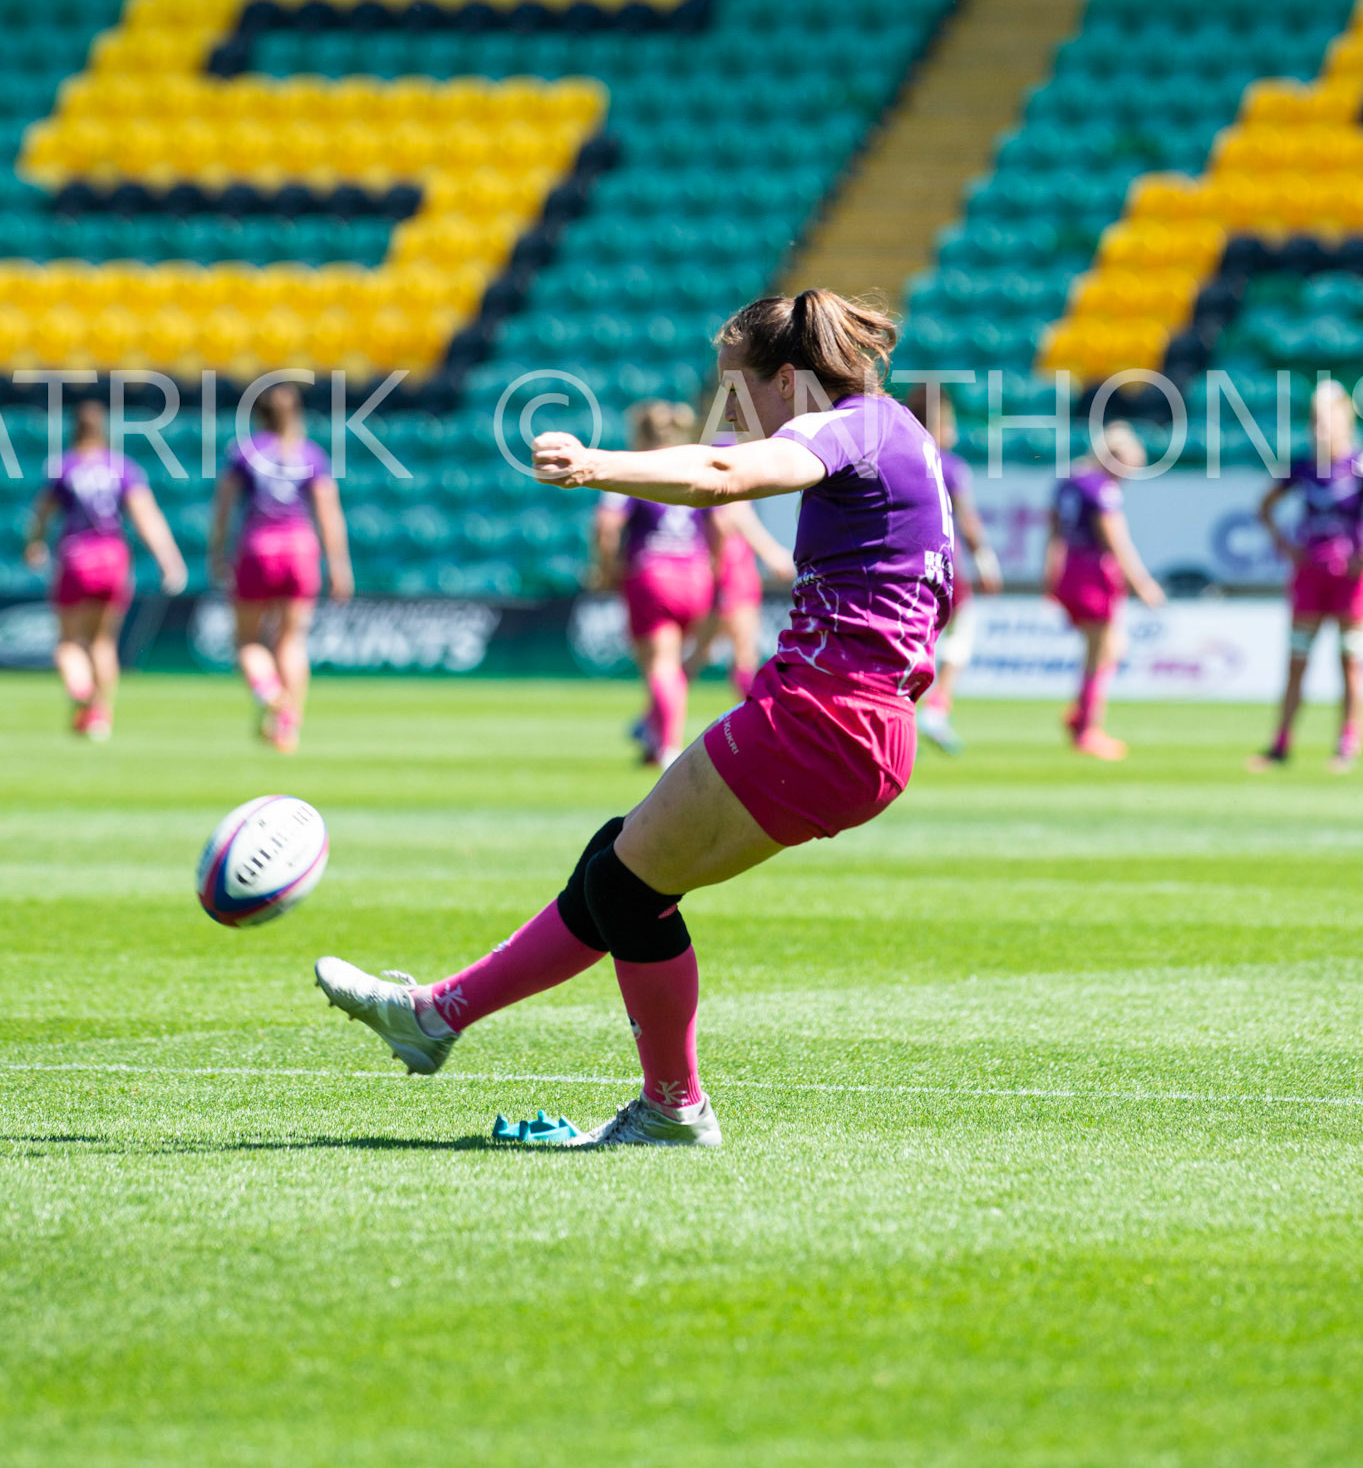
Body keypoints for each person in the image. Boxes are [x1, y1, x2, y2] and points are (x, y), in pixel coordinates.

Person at [314, 289, 954, 1149]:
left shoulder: (850, 425)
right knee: (620, 869)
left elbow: (725, 477)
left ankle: (670, 1106)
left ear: (790, 380)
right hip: (861, 726)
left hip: (824, 715)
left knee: (626, 886)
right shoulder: (896, 436)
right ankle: (437, 1015)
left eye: (740, 393)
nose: (735, 416)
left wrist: (593, 464)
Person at [23, 399, 186, 740]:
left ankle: (81, 692)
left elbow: (42, 515)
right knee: (102, 642)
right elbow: (147, 518)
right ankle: (100, 715)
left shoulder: (63, 467)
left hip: (76, 558)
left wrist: (34, 545)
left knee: (69, 643)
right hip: (112, 558)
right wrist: (169, 560)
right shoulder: (122, 468)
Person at [208, 383, 352, 752]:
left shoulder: (243, 453)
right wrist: (339, 564)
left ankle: (270, 693)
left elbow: (223, 508)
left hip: (258, 549)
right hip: (300, 549)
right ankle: (288, 726)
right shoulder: (311, 454)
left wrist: (217, 553)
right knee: (292, 639)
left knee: (247, 640)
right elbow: (328, 513)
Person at [593, 402, 720, 772]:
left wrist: (607, 568)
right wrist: (714, 566)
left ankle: (668, 748)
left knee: (660, 665)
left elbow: (606, 526)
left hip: (652, 576)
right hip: (695, 575)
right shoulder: (691, 466)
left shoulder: (630, 471)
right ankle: (652, 733)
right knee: (675, 662)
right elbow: (722, 524)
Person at [1249, 380, 1363, 774]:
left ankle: (1347, 743)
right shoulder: (1303, 465)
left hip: (1350, 581)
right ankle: (1281, 743)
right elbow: (1264, 506)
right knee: (1297, 660)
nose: (1319, 427)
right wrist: (1287, 547)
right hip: (1310, 577)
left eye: (1326, 418)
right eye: (1314, 419)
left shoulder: (1359, 464)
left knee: (1350, 660)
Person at [1044, 423, 1164, 762]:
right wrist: (1142, 584)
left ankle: (1082, 712)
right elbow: (1115, 540)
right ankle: (1087, 728)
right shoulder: (1102, 489)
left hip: (1070, 569)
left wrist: (1050, 573)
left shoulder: (1069, 481)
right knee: (1103, 650)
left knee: (1107, 647)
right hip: (1094, 572)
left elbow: (1054, 532)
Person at [904, 385, 1002, 755]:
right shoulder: (950, 465)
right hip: (944, 566)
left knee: (916, 637)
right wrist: (986, 561)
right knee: (960, 636)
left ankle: (901, 708)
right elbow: (969, 522)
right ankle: (937, 706)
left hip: (904, 566)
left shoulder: (898, 457)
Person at [686, 494, 795, 704]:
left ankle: (656, 715)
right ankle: (753, 716)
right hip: (732, 573)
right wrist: (771, 554)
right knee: (742, 654)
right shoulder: (736, 476)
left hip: (726, 572)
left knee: (702, 652)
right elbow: (730, 517)